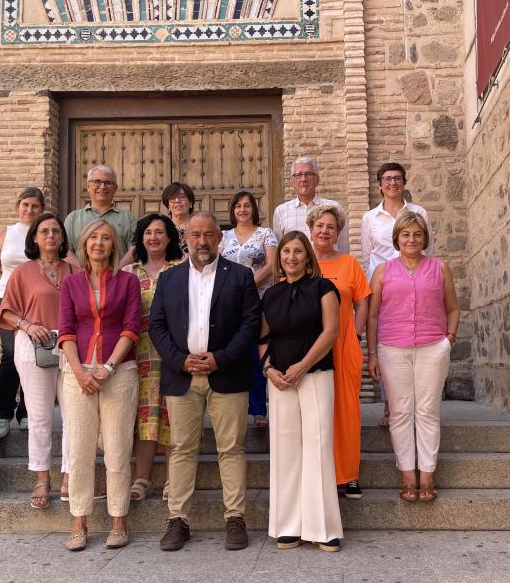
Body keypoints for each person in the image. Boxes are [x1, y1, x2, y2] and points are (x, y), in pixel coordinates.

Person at [149, 212, 261, 551]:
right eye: (195, 235)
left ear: (220, 238)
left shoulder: (241, 276)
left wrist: (221, 358)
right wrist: (180, 359)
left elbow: (250, 324)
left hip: (227, 374)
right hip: (182, 376)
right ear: (186, 239)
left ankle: (235, 519)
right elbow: (156, 326)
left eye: (209, 235)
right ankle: (178, 521)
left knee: (231, 448)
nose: (202, 241)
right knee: (182, 449)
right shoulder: (169, 279)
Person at [57, 219, 142, 551]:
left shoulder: (128, 282)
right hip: (77, 373)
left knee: (118, 448)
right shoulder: (71, 284)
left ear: (114, 245)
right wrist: (79, 372)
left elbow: (131, 328)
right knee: (79, 449)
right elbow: (64, 330)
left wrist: (108, 367)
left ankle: (119, 520)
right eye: (94, 237)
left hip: (118, 372)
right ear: (84, 243)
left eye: (106, 238)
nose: (99, 243)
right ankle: (79, 521)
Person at [366, 212, 459, 503]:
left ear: (425, 238)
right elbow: (372, 314)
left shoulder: (440, 268)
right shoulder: (382, 271)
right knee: (401, 412)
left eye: (417, 234)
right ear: (397, 239)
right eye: (405, 234)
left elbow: (453, 308)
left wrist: (449, 339)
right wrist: (372, 353)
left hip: (433, 346)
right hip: (392, 348)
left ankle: (427, 472)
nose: (411, 239)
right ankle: (407, 472)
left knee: (428, 411)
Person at [260, 231, 343, 551]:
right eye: (285, 252)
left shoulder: (324, 288)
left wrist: (303, 366)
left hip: (316, 373)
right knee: (285, 449)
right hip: (279, 378)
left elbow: (331, 331)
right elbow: (263, 338)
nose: (291, 257)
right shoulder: (271, 295)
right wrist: (269, 370)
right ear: (279, 257)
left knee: (317, 445)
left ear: (308, 256)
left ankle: (323, 528)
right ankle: (288, 525)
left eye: (297, 252)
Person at [0, 212, 77, 509]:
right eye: (44, 231)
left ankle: (71, 476)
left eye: (56, 231)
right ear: (34, 238)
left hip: (70, 347)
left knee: (75, 416)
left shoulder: (74, 271)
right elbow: (5, 311)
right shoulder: (23, 272)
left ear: (63, 237)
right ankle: (42, 478)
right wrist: (29, 326)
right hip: (33, 345)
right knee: (40, 416)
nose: (51, 236)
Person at [360, 162, 430, 426]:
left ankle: (416, 407)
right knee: (385, 343)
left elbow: (426, 247)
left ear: (404, 182)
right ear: (379, 184)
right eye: (387, 179)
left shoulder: (419, 212)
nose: (392, 183)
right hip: (384, 287)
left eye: (397, 178)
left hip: (413, 284)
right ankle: (390, 406)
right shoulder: (369, 218)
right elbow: (368, 257)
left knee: (414, 341)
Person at [307, 205, 370, 498]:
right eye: (319, 225)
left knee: (346, 411)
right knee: (316, 411)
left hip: (343, 346)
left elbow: (363, 302)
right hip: (308, 348)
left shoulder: (349, 264)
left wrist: (355, 335)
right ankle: (320, 472)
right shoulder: (301, 264)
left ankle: (349, 475)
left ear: (338, 233)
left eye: (330, 227)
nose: (324, 231)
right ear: (311, 228)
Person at [121, 213, 183, 502]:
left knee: (172, 416)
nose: (154, 237)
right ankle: (142, 478)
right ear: (140, 239)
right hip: (140, 354)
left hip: (174, 353)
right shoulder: (130, 272)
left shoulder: (180, 269)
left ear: (170, 237)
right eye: (148, 232)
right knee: (145, 415)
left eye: (160, 232)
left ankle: (173, 479)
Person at [0, 186, 44, 438]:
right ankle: (4, 413)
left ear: (42, 210)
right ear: (17, 207)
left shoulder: (44, 233)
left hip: (34, 302)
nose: (29, 210)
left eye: (35, 206)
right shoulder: (3, 233)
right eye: (25, 204)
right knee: (10, 355)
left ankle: (26, 411)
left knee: (32, 357)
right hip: (6, 301)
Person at [220, 190, 278, 428]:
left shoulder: (266, 234)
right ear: (233, 210)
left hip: (258, 301)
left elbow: (273, 265)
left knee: (256, 353)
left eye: (247, 206)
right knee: (231, 353)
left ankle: (258, 410)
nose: (242, 210)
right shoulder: (223, 236)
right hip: (227, 303)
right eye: (238, 206)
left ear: (254, 209)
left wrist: (245, 286)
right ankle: (229, 410)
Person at [272, 156, 349, 252]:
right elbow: (279, 249)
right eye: (298, 175)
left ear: (317, 180)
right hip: (295, 266)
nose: (303, 179)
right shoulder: (281, 211)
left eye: (308, 174)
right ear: (292, 181)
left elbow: (343, 248)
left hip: (328, 265)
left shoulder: (334, 207)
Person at [63, 164, 136, 258]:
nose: (102, 187)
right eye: (97, 182)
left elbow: (134, 249)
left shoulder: (128, 218)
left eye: (108, 183)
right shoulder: (73, 218)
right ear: (88, 186)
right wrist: (81, 272)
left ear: (115, 188)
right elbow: (65, 250)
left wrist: (117, 271)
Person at [160, 181, 195, 257]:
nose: (177, 201)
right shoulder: (163, 228)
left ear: (191, 203)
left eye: (182, 197)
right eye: (172, 198)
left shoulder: (199, 227)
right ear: (168, 206)